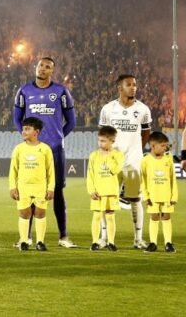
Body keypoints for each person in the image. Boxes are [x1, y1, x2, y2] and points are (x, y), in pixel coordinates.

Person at [12, 57, 77, 248]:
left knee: (56, 191)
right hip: (30, 150)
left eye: (47, 67)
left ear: (52, 72)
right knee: (29, 192)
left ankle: (63, 236)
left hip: (55, 150)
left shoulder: (61, 92)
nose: (43, 69)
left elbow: (71, 121)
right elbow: (17, 119)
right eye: (41, 65)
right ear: (36, 67)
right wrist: (29, 138)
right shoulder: (24, 91)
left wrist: (57, 138)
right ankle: (27, 237)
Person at [98, 74, 152, 249]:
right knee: (107, 198)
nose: (133, 87)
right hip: (112, 161)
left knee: (136, 198)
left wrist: (137, 149)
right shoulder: (108, 109)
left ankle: (138, 239)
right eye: (129, 85)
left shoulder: (143, 109)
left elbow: (146, 132)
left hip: (133, 162)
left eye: (135, 84)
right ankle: (104, 238)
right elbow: (103, 134)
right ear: (119, 88)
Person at [9, 117, 55, 252]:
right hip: (23, 187)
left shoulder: (45, 149)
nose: (24, 131)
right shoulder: (18, 149)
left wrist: (51, 188)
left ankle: (40, 242)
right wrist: (12, 187)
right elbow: (13, 170)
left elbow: (51, 171)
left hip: (40, 187)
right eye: (23, 129)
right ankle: (24, 241)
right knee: (24, 214)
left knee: (40, 214)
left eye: (27, 129)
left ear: (36, 132)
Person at [86, 126, 123, 252]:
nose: (100, 143)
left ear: (112, 141)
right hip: (98, 192)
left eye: (103, 141)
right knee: (96, 217)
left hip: (111, 191)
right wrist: (91, 190)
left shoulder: (117, 155)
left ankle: (111, 242)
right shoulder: (93, 156)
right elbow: (90, 174)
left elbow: (115, 170)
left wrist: (109, 156)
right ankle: (95, 242)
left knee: (110, 217)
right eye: (99, 140)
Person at [141, 132, 178, 253]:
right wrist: (146, 196)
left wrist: (174, 195)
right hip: (153, 196)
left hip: (166, 195)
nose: (165, 148)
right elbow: (143, 180)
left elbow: (173, 178)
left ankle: (168, 243)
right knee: (154, 217)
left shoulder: (168, 159)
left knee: (167, 216)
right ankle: (153, 243)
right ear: (152, 146)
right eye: (162, 146)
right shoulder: (145, 160)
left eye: (166, 146)